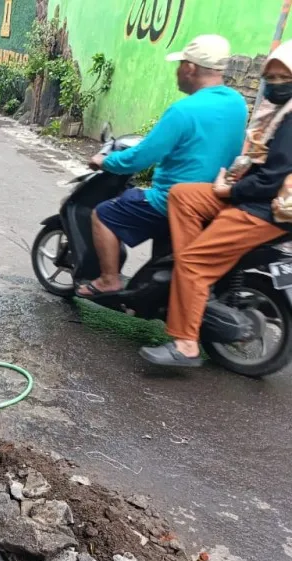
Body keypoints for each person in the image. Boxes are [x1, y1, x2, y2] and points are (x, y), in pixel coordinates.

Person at [140, 42, 292, 367]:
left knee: (193, 263)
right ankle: (191, 286)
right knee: (183, 195)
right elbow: (259, 164)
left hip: (266, 210)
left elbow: (270, 182)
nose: (277, 83)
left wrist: (229, 192)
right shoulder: (275, 112)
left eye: (285, 77)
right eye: (273, 76)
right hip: (254, 195)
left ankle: (185, 345)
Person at [78, 35, 247, 296]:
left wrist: (105, 161)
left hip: (170, 201)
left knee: (103, 214)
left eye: (180, 64)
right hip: (215, 198)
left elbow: (141, 157)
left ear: (190, 68)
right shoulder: (237, 104)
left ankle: (108, 280)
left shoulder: (183, 111)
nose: (177, 71)